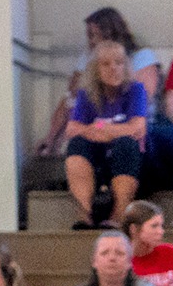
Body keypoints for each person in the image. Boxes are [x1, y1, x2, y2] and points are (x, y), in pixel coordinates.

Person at [36, 8, 173, 171]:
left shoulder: (141, 56)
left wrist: (106, 125)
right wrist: (51, 138)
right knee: (78, 144)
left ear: (110, 33)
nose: (91, 42)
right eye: (89, 36)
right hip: (96, 126)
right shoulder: (88, 59)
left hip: (135, 125)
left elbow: (144, 100)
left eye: (94, 35)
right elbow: (70, 99)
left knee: (124, 143)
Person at [62, 41, 148, 229]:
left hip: (131, 159)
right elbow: (72, 129)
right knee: (77, 144)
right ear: (95, 69)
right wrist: (94, 130)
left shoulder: (135, 90)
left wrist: (100, 127)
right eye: (106, 64)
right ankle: (85, 212)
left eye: (119, 63)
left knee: (126, 143)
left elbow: (138, 128)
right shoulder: (87, 94)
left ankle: (119, 214)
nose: (113, 69)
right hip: (98, 157)